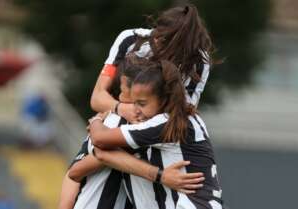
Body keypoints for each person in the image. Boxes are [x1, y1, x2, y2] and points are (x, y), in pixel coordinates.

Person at [58, 58, 204, 209]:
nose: (119, 97)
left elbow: (74, 173)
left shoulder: (111, 124)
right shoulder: (118, 124)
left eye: (122, 91)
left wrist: (95, 122)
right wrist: (161, 175)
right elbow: (78, 170)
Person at [90, 59, 224, 209]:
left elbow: (99, 140)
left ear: (163, 99)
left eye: (142, 103)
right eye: (134, 103)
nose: (135, 110)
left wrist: (97, 120)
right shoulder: (191, 118)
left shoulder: (164, 124)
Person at [90, 4, 213, 123]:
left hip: (155, 136)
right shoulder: (129, 39)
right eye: (157, 36)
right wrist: (121, 109)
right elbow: (97, 98)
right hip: (112, 122)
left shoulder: (199, 60)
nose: (157, 43)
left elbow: (182, 115)